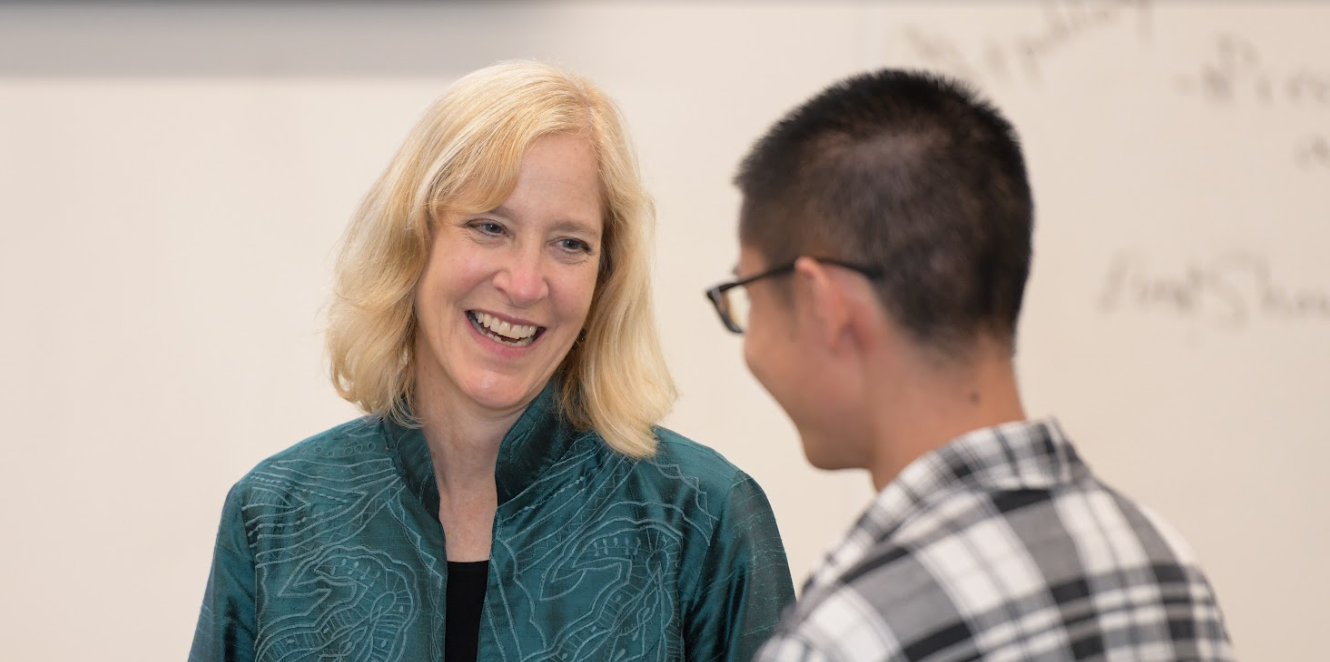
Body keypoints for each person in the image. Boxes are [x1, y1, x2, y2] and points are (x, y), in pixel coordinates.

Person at [189, 60, 794, 662]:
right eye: (489, 227)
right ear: (413, 239)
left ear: (605, 279)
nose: (525, 283)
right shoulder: (275, 517)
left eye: (570, 243)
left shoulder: (703, 518)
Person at [706, 69, 1234, 661]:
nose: (750, 341)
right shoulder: (1166, 566)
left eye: (747, 294)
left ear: (821, 304)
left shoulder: (847, 636)